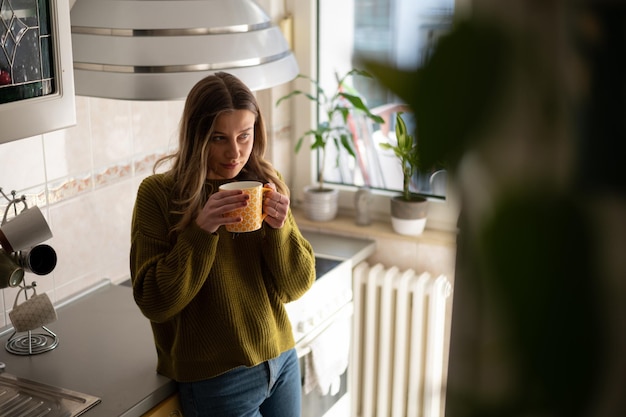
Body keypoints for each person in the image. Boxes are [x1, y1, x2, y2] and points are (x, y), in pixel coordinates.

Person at [130, 72, 316, 417]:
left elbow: (296, 286)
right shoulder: (158, 195)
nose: (235, 152)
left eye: (244, 135)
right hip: (217, 381)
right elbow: (153, 301)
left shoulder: (266, 183)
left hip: (281, 359)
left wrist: (279, 232)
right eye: (219, 138)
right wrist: (202, 231)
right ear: (196, 136)